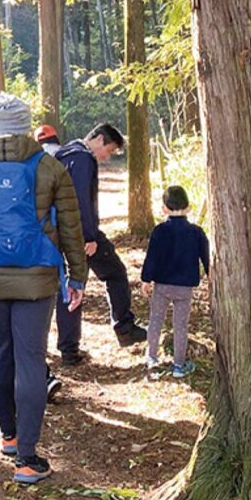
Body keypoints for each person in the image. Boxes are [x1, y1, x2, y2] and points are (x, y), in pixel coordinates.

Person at [0, 92, 87, 484]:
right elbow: (71, 227)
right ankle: (27, 458)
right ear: (26, 125)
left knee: (0, 352)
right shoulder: (49, 167)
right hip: (39, 276)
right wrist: (77, 276)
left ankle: (7, 435)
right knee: (30, 359)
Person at [54, 123, 148, 363]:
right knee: (113, 273)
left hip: (58, 231)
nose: (107, 158)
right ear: (98, 139)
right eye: (110, 150)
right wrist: (89, 236)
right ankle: (124, 328)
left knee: (71, 285)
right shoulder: (84, 159)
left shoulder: (63, 154)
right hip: (80, 233)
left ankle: (69, 349)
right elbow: (81, 200)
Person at [141, 184, 209, 376]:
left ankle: (152, 358)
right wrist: (211, 277)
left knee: (156, 320)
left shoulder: (159, 231)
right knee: (180, 325)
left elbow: (151, 257)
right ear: (188, 208)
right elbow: (206, 257)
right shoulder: (196, 232)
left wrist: (146, 280)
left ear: (164, 209)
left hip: (162, 285)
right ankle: (178, 366)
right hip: (185, 287)